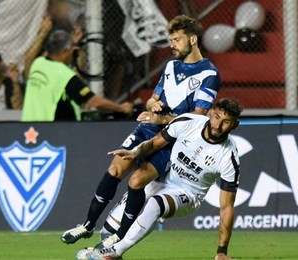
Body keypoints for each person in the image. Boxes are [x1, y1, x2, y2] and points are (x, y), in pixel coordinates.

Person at [61, 14, 221, 245]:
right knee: (115, 168)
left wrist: (161, 119)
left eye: (176, 39)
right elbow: (151, 100)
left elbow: (198, 118)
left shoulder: (209, 73)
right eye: (171, 39)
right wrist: (151, 105)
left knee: (136, 182)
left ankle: (118, 236)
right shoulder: (170, 67)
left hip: (173, 141)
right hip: (147, 129)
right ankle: (87, 226)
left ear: (193, 40)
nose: (172, 45)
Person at [84, 97, 243, 260]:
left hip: (187, 194)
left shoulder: (228, 157)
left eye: (226, 122)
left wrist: (222, 251)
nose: (218, 125)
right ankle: (112, 252)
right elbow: (154, 144)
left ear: (234, 125)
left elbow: (226, 207)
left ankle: (115, 251)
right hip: (160, 181)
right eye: (217, 117)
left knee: (155, 204)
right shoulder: (188, 122)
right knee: (108, 232)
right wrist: (136, 152)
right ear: (211, 113)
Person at [21, 29, 134, 121]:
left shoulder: (37, 63)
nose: (74, 50)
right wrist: (121, 108)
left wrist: (70, 44)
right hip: (53, 132)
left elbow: (53, 53)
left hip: (30, 131)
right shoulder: (65, 75)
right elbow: (94, 101)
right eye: (71, 49)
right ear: (64, 52)